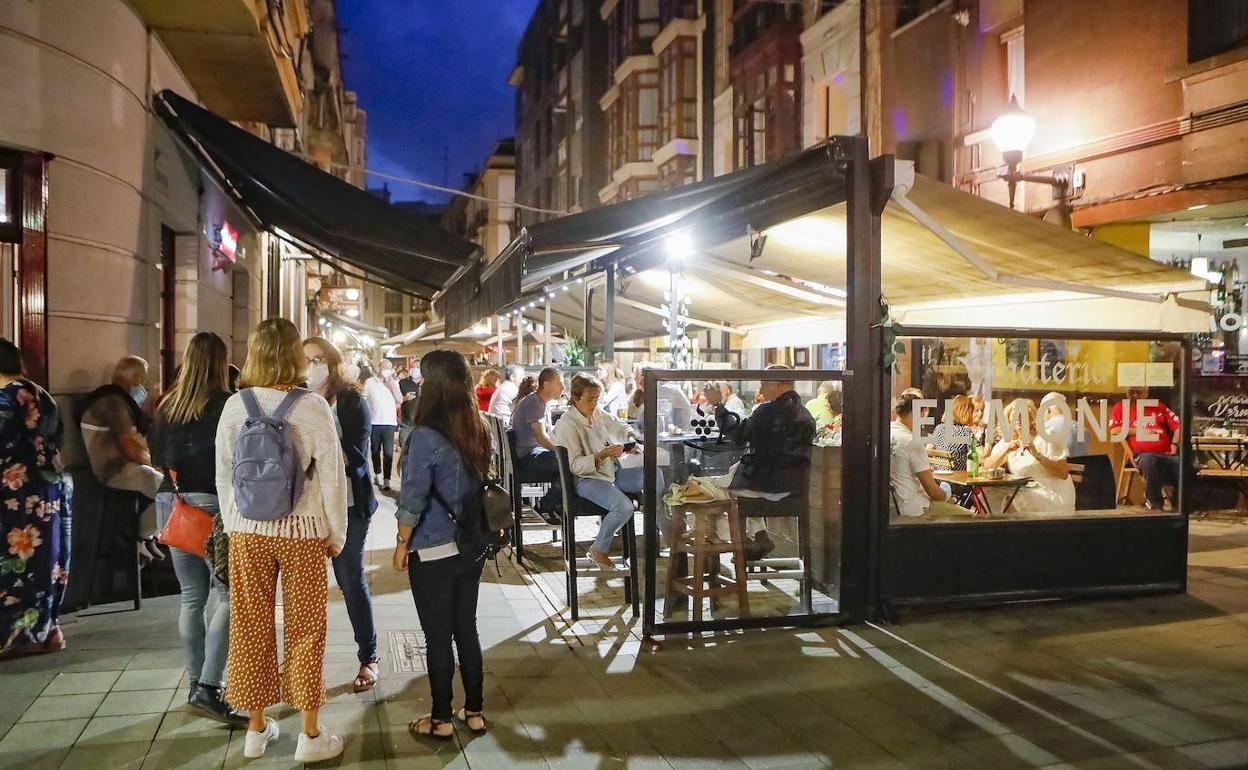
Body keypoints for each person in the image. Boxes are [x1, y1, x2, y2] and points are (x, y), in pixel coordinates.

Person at [215, 318, 347, 762]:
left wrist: (235, 525)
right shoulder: (311, 407)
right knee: (308, 628)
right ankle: (309, 735)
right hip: (302, 534)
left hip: (247, 532)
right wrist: (337, 533)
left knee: (249, 626)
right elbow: (332, 477)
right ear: (294, 355)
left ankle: (255, 728)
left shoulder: (235, 406)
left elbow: (224, 475)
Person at [392, 350, 491, 740]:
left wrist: (402, 543)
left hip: (433, 548)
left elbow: (412, 498)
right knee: (467, 627)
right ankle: (476, 711)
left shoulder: (426, 435)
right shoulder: (478, 426)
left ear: (432, 385)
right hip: (473, 543)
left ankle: (440, 719)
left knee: (437, 635)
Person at [148, 332, 244, 724]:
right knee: (227, 595)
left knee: (190, 598)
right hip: (214, 508)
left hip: (175, 506)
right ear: (221, 364)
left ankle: (194, 682)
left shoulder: (167, 406)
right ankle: (208, 686)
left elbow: (156, 457)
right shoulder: (226, 405)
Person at [304, 336, 380, 694]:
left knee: (350, 580)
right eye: (305, 360)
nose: (311, 366)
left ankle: (369, 656)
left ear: (332, 364)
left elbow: (358, 461)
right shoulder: (295, 400)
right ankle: (304, 667)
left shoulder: (351, 402)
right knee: (306, 588)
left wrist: (321, 427)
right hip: (305, 507)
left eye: (318, 359)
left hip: (350, 505)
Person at [0, 339, 71, 661]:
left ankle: (17, 636)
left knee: (15, 563)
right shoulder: (42, 394)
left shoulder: (7, 397)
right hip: (50, 489)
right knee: (48, 560)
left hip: (17, 494)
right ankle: (48, 629)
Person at [554, 375, 659, 571]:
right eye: (590, 399)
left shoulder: (596, 413)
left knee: (656, 476)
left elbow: (619, 425)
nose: (594, 403)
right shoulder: (567, 425)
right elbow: (575, 466)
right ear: (575, 399)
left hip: (611, 472)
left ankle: (663, 526)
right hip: (586, 480)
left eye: (597, 398)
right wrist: (601, 455)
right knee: (625, 508)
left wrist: (630, 439)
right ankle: (598, 548)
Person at [726, 366, 818, 555]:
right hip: (795, 487)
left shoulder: (767, 411)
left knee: (720, 494)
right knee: (735, 475)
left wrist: (723, 417)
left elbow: (741, 435)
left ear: (777, 384)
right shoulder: (805, 413)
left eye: (764, 382)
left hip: (770, 487)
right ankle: (759, 536)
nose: (760, 388)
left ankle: (737, 545)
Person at [79, 355, 164, 556]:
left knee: (164, 489)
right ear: (133, 379)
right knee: (168, 492)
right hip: (113, 471)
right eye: (142, 379)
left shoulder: (120, 400)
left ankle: (147, 536)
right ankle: (139, 535)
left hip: (121, 467)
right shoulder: (112, 403)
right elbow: (129, 445)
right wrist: (155, 466)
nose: (145, 385)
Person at [982, 398, 1075, 514]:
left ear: (1031, 418)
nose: (1018, 419)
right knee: (989, 495)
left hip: (1051, 492)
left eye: (1023, 415)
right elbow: (988, 466)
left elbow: (1063, 473)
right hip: (1025, 490)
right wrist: (1005, 451)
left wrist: (1036, 454)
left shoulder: (1046, 437)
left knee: (1011, 500)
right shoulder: (1010, 439)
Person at [889, 392, 973, 519]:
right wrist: (947, 495)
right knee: (969, 517)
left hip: (892, 507)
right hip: (915, 509)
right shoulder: (913, 442)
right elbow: (934, 492)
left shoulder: (887, 433)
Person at [1109, 387, 1181, 510]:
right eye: (1132, 392)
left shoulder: (1158, 406)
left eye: (1139, 392)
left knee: (1183, 464)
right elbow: (1115, 430)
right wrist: (1140, 431)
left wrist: (1174, 444)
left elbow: (1179, 426)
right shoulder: (1121, 407)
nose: (1136, 395)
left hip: (1166, 454)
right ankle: (1154, 502)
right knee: (1149, 461)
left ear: (1146, 393)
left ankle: (1180, 503)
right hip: (1143, 454)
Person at [512, 367, 564, 518]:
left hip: (531, 452)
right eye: (559, 383)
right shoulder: (534, 403)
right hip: (528, 456)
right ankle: (546, 506)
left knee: (569, 463)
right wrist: (561, 451)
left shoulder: (540, 402)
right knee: (568, 463)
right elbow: (541, 437)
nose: (563, 387)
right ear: (546, 385)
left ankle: (557, 505)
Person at [363, 362, 400, 490]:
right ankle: (378, 473)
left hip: (389, 423)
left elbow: (400, 399)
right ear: (379, 368)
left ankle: (387, 479)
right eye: (385, 368)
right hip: (374, 422)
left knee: (388, 452)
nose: (387, 371)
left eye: (389, 368)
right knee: (375, 450)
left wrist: (391, 385)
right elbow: (363, 399)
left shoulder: (394, 382)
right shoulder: (369, 382)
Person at [630, 362, 692, 432]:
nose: (639, 381)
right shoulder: (654, 389)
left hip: (678, 434)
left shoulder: (665, 389)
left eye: (642, 377)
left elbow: (655, 418)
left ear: (650, 376)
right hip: (670, 431)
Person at [931, 395, 977, 471]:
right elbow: (982, 457)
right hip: (957, 479)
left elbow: (929, 449)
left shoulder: (939, 428)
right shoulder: (965, 433)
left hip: (939, 477)